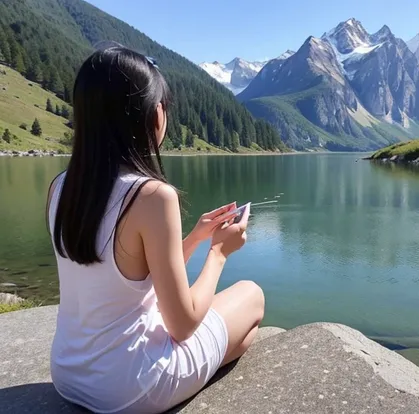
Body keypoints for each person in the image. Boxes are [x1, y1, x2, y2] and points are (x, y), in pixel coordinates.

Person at [45, 46, 265, 413]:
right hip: (129, 389)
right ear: (152, 115)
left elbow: (121, 274)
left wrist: (195, 237)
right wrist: (218, 253)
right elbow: (182, 326)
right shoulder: (151, 195)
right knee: (252, 295)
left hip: (68, 376)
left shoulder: (60, 187)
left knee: (243, 335)